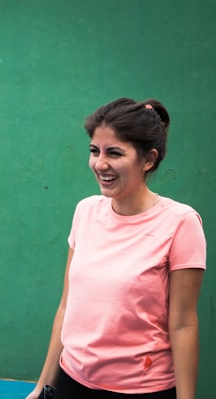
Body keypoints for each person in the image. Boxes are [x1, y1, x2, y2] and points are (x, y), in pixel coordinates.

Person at [26, 98, 206, 399]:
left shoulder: (181, 223)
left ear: (148, 160)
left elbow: (184, 323)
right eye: (94, 151)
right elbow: (67, 306)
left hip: (141, 391)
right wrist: (43, 387)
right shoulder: (85, 211)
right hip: (72, 382)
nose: (100, 164)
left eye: (114, 153)